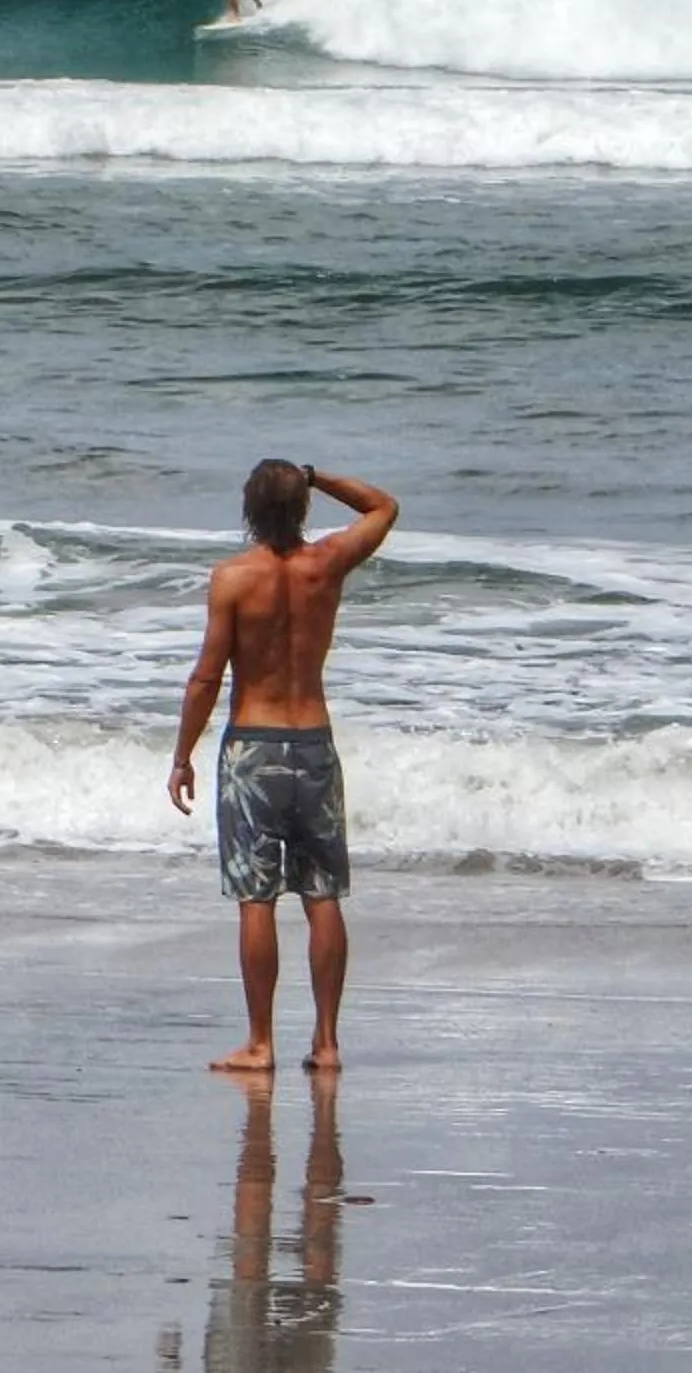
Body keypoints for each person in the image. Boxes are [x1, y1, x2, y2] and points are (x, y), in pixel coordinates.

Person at [169, 459, 398, 1072]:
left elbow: (206, 678)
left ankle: (261, 1043)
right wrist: (321, 479)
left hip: (252, 749)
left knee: (256, 899)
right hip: (314, 745)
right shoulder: (327, 564)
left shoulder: (233, 579)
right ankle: (326, 1044)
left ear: (249, 512)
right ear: (302, 510)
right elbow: (383, 507)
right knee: (323, 897)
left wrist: (183, 755)